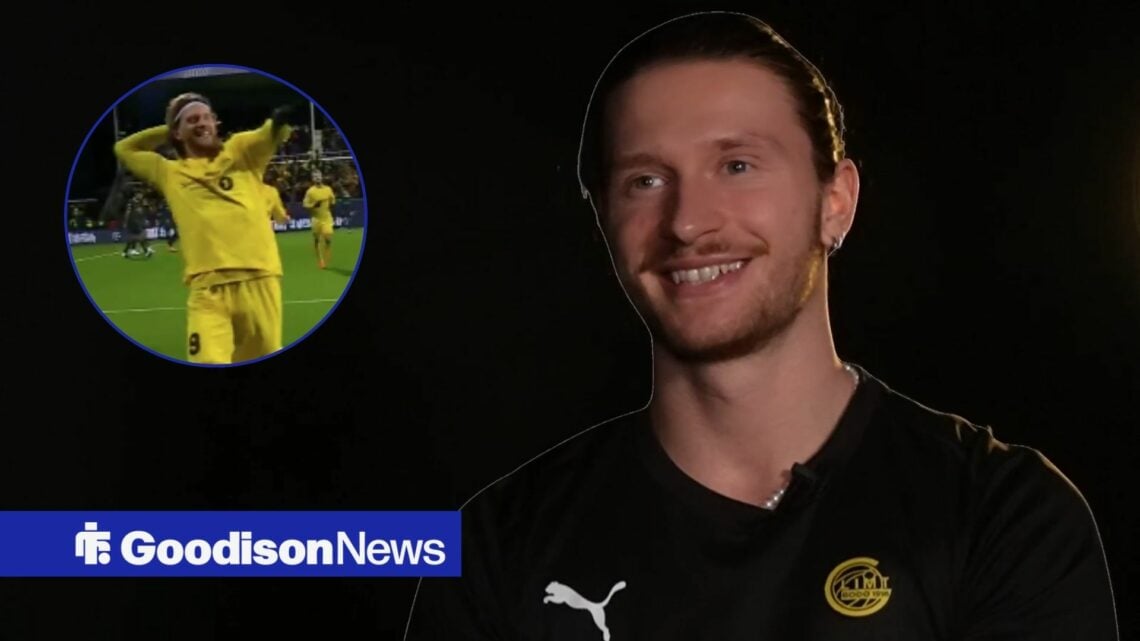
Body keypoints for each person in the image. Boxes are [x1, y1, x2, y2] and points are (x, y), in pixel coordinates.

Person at [403, 12, 1119, 640]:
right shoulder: (498, 545)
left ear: (835, 202)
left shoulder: (999, 515)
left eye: (737, 165)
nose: (687, 221)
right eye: (644, 181)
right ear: (603, 222)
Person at [114, 92, 296, 364]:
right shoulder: (168, 172)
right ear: (177, 132)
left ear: (216, 122)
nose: (202, 123)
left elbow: (272, 132)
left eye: (207, 118)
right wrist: (171, 128)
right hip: (207, 291)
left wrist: (279, 120)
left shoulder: (240, 151)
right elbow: (124, 149)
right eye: (192, 120)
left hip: (258, 279)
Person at [302, 168, 336, 269]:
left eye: (319, 175)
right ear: (312, 179)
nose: (317, 178)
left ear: (322, 177)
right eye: (315, 176)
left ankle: (325, 257)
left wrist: (331, 206)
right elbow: (305, 205)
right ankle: (320, 260)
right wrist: (313, 205)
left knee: (328, 236)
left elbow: (332, 201)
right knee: (317, 240)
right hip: (316, 219)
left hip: (326, 218)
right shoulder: (310, 192)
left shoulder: (328, 189)